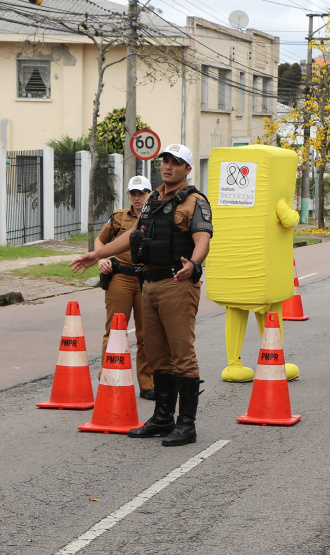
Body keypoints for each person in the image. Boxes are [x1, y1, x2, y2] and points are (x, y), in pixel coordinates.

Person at [70, 144, 212, 447]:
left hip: (177, 283)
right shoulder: (152, 201)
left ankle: (186, 425)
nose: (168, 166)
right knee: (156, 353)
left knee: (181, 355)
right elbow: (132, 236)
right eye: (165, 161)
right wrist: (96, 255)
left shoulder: (195, 202)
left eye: (176, 163)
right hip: (149, 283)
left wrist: (194, 263)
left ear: (187, 169)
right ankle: (162, 418)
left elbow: (203, 238)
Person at [96, 175, 154, 400]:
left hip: (147, 280)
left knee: (146, 334)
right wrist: (101, 258)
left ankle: (147, 384)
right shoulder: (119, 217)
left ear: (150, 194)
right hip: (121, 277)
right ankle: (108, 377)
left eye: (142, 193)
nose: (137, 198)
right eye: (133, 193)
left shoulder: (157, 216)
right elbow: (101, 240)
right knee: (114, 330)